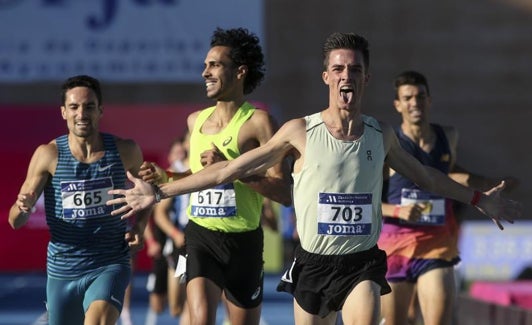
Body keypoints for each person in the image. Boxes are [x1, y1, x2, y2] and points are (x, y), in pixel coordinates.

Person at [108, 32, 522, 325]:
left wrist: (477, 197)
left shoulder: (381, 134)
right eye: (338, 69)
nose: (346, 76)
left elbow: (428, 176)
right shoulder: (298, 132)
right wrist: (160, 191)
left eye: (355, 70)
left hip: (361, 262)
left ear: (366, 78)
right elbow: (226, 170)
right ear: (327, 77)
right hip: (312, 264)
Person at [138, 27, 292, 325]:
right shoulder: (195, 121)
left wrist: (232, 169)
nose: (205, 72)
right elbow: (198, 176)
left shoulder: (259, 122)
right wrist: (166, 175)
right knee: (200, 319)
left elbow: (284, 193)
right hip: (201, 236)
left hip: (244, 241)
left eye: (215, 65)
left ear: (240, 72)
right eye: (205, 65)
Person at [8, 75, 152, 325]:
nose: (81, 113)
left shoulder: (125, 150)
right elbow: (15, 221)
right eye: (74, 107)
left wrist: (140, 226)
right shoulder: (48, 154)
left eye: (89, 106)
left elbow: (150, 191)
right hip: (63, 269)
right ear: (63, 112)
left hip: (110, 262)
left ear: (100, 110)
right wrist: (24, 208)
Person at [377, 70, 518, 325]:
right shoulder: (388, 144)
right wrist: (398, 212)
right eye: (407, 98)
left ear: (429, 100)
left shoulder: (448, 137)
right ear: (397, 105)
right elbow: (367, 198)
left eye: (420, 96)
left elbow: (450, 176)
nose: (415, 103)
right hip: (395, 246)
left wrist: (486, 186)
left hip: (437, 243)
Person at [145, 136, 191, 325]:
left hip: (203, 241)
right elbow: (156, 213)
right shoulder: (175, 172)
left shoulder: (213, 167)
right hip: (177, 244)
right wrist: (174, 234)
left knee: (196, 299)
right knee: (174, 306)